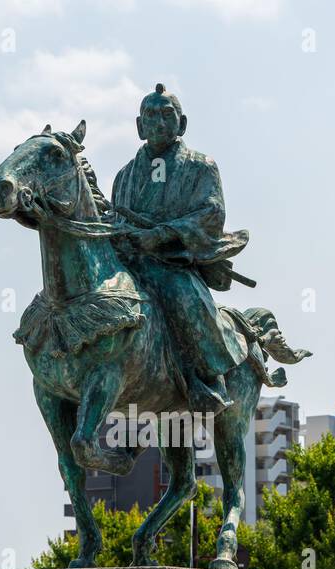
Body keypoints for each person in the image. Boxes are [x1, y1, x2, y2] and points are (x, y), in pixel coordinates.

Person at [111, 83, 251, 413]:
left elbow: (211, 212)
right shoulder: (124, 176)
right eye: (150, 115)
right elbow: (114, 218)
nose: (158, 121)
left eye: (166, 114)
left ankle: (206, 378)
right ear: (138, 126)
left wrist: (161, 234)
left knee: (186, 300)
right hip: (130, 264)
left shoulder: (200, 167)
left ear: (182, 124)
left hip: (172, 263)